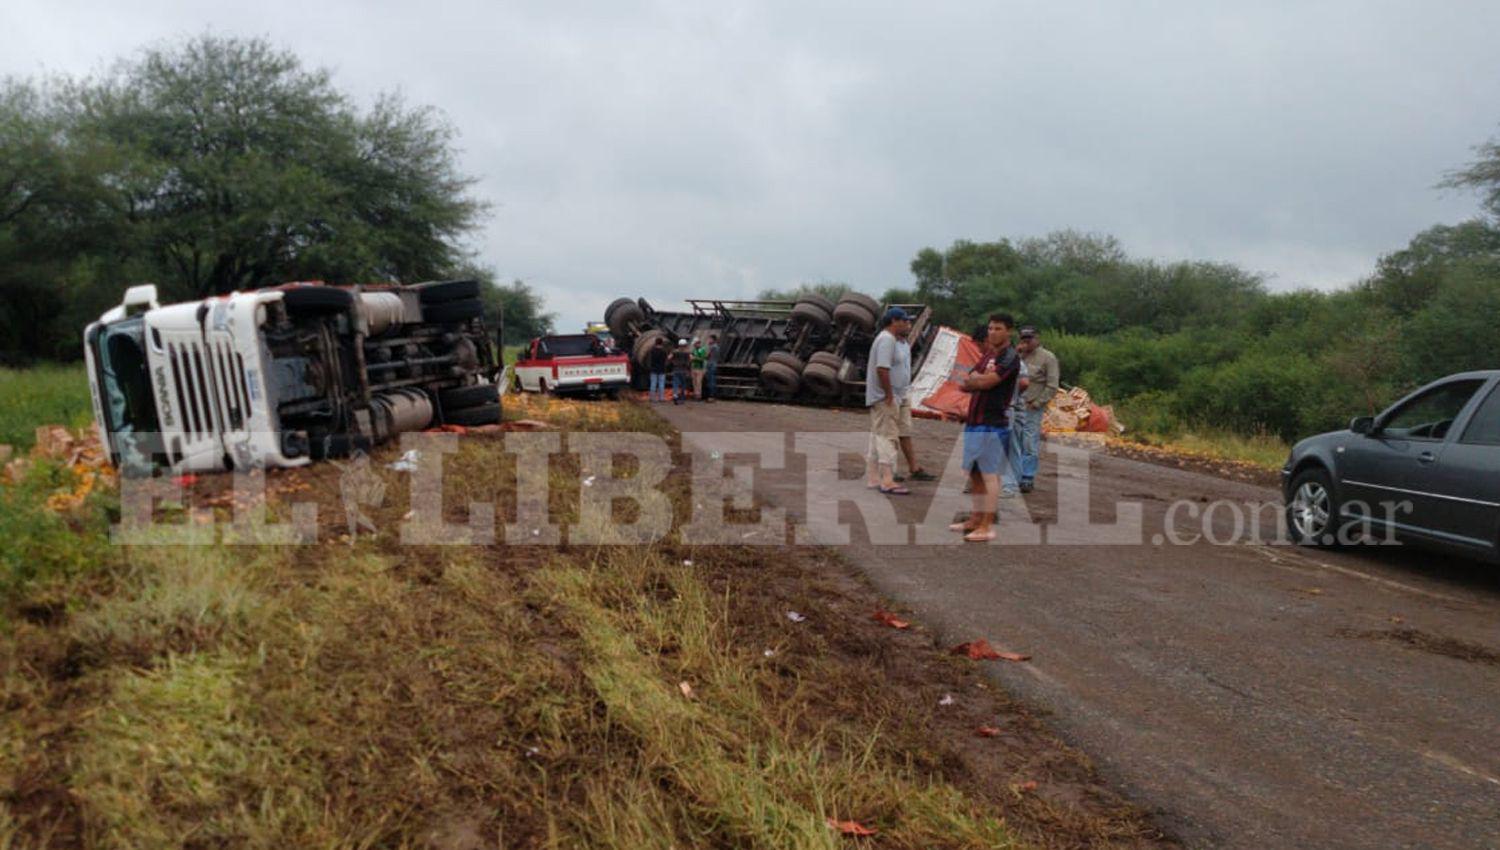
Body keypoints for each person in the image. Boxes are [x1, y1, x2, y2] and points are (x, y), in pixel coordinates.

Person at [953, 314, 1022, 542]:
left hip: (993, 423)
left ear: (1009, 331)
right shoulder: (989, 355)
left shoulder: (1009, 357)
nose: (992, 332)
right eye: (991, 328)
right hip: (975, 421)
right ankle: (975, 519)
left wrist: (978, 380)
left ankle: (987, 525)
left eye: (998, 328)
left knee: (990, 476)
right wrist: (978, 380)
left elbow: (988, 381)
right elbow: (967, 379)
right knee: (974, 474)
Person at [863, 307, 933, 493]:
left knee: (883, 435)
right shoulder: (886, 340)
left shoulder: (900, 342)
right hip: (887, 397)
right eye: (905, 321)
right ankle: (887, 480)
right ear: (894, 321)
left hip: (900, 395)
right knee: (887, 437)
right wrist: (888, 395)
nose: (908, 324)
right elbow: (882, 369)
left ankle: (874, 478)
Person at [1011, 326, 1059, 493]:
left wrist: (1037, 403)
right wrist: (1016, 354)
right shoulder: (1016, 356)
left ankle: (1027, 477)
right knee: (1014, 441)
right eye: (1023, 339)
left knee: (1029, 441)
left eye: (1029, 339)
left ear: (1037, 338)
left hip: (1031, 406)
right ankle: (1014, 475)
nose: (1026, 342)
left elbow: (1052, 385)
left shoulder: (1047, 358)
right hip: (1014, 405)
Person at [670, 339, 692, 404]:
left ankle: (675, 395)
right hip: (684, 370)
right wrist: (688, 363)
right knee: (683, 384)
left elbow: (669, 357)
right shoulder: (687, 352)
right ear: (685, 345)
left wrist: (673, 362)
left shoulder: (674, 351)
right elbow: (691, 358)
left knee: (675, 384)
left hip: (676, 369)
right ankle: (682, 398)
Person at [648, 337, 669, 402]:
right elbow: (666, 360)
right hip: (662, 369)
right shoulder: (664, 351)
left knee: (653, 384)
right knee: (661, 384)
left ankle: (652, 398)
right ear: (662, 343)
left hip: (654, 369)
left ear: (655, 343)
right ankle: (661, 398)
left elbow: (650, 360)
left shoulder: (652, 351)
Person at [704, 333, 720, 401]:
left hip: (711, 364)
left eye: (710, 339)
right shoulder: (717, 347)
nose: (708, 340)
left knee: (710, 380)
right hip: (714, 364)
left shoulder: (712, 347)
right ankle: (712, 395)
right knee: (712, 380)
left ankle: (711, 396)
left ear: (713, 340)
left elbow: (707, 355)